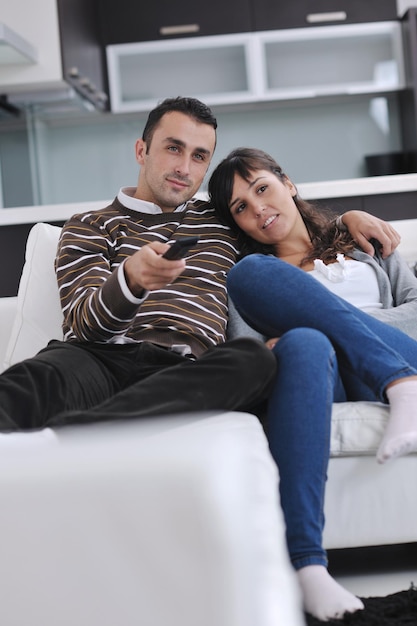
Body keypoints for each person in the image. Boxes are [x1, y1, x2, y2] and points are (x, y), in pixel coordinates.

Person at [208, 146, 417, 621]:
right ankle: (307, 568)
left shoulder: (364, 242)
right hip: (327, 378)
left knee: (310, 330)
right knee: (298, 335)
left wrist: (350, 324)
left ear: (289, 183)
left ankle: (398, 377)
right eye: (241, 207)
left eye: (262, 188)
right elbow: (253, 352)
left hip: (405, 355)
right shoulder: (259, 281)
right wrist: (320, 328)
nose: (258, 208)